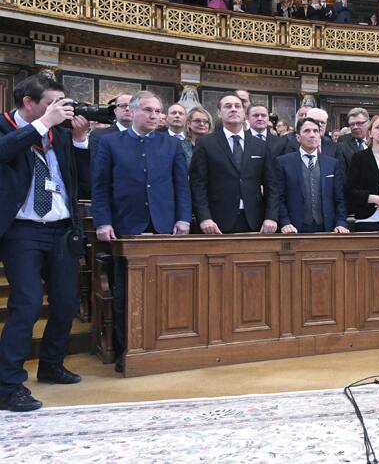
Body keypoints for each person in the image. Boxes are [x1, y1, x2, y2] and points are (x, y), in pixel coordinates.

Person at [0, 73, 91, 412]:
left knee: (66, 303)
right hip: (22, 230)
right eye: (51, 103)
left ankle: (51, 365)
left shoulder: (59, 134)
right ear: (28, 103)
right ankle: (8, 384)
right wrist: (42, 125)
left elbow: (81, 182)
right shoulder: (7, 126)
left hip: (61, 228)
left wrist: (79, 140)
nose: (59, 110)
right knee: (26, 303)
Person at [91, 91, 190, 371]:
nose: (154, 116)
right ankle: (127, 351)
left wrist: (183, 218)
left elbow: (181, 184)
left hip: (163, 227)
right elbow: (100, 187)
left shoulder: (170, 144)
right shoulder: (110, 143)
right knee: (126, 293)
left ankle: (163, 348)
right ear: (132, 111)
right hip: (125, 228)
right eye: (148, 110)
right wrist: (103, 221)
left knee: (165, 292)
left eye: (158, 111)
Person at [189, 94, 278, 234]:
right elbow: (198, 184)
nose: (233, 109)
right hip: (216, 222)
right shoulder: (206, 143)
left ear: (244, 113)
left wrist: (271, 217)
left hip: (255, 221)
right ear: (219, 113)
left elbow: (272, 185)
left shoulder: (260, 145)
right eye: (228, 106)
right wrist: (204, 218)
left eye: (238, 106)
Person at [275, 117, 350, 235]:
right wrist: (285, 222)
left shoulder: (332, 163)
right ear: (298, 137)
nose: (312, 135)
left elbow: (340, 198)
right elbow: (279, 197)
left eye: (316, 131)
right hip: (294, 228)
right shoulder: (283, 162)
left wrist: (341, 222)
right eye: (307, 131)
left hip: (327, 228)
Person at [335, 107, 370, 176]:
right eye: (352, 124)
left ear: (368, 123)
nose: (355, 127)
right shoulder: (343, 142)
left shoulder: (376, 140)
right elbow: (341, 173)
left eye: (359, 123)